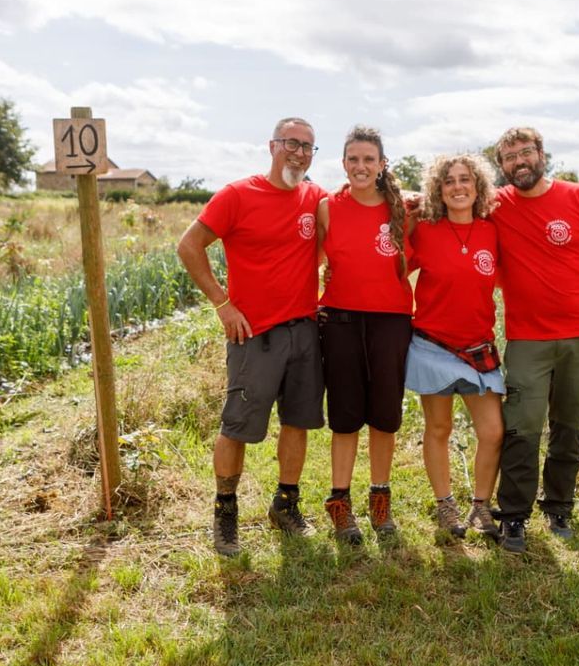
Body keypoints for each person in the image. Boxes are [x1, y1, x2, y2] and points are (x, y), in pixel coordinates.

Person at [176, 116, 326, 557]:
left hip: (305, 331)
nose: (299, 153)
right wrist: (223, 303)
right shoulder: (238, 195)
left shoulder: (314, 196)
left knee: (298, 422)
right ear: (272, 145)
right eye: (291, 143)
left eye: (308, 147)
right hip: (254, 334)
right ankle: (225, 511)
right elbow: (189, 245)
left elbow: (345, 220)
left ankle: (286, 504)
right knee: (237, 426)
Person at [490, 126, 579, 554]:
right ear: (501, 165)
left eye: (525, 152)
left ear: (541, 154)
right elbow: (443, 201)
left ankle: (559, 506)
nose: (519, 162)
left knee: (570, 424)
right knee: (522, 427)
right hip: (528, 339)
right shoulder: (496, 205)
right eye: (509, 157)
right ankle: (513, 516)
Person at [316, 125, 414, 545]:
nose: (360, 166)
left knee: (384, 415)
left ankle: (380, 497)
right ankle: (339, 502)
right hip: (339, 319)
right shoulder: (326, 207)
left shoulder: (403, 210)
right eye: (353, 159)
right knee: (345, 415)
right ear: (343, 164)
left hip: (391, 320)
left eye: (368, 159)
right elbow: (315, 258)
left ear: (381, 164)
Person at [405, 153, 504, 541]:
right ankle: (445, 505)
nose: (458, 186)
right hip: (433, 345)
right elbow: (394, 269)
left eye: (465, 179)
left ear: (478, 187)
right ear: (438, 190)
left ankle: (481, 506)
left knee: (493, 431)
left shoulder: (492, 230)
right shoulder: (425, 230)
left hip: (478, 347)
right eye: (449, 181)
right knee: (439, 427)